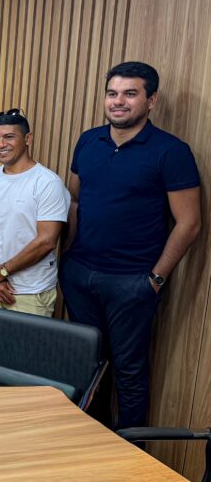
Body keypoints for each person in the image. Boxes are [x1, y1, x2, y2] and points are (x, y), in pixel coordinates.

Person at [60, 62, 200, 430]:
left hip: (132, 283)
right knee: (89, 368)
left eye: (130, 94)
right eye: (112, 93)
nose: (118, 101)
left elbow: (189, 223)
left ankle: (131, 453)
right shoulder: (88, 141)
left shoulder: (171, 151)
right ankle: (93, 444)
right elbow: (75, 200)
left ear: (151, 100)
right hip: (80, 275)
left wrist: (155, 279)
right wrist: (68, 256)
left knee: (130, 374)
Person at [0, 109, 70, 317]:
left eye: (9, 137)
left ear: (27, 139)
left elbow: (47, 241)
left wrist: (3, 271)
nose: (1, 144)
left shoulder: (47, 183)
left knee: (29, 341)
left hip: (30, 292)